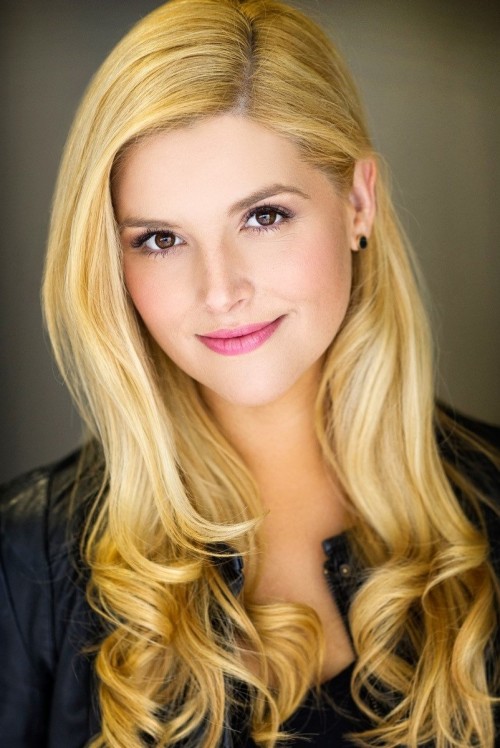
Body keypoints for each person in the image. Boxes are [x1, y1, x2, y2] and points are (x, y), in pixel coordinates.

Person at [0, 0, 499, 746]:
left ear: (358, 203)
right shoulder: (23, 564)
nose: (220, 291)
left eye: (263, 217)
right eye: (161, 238)